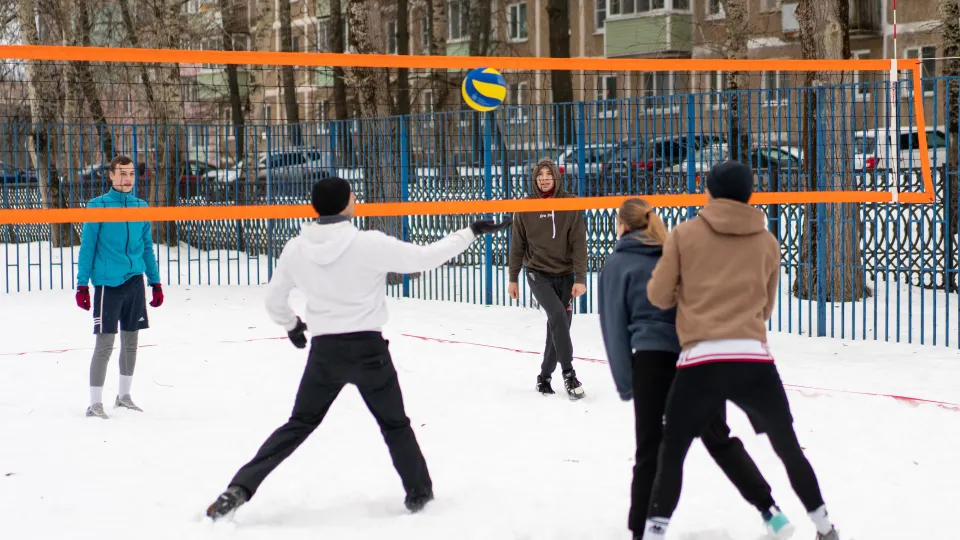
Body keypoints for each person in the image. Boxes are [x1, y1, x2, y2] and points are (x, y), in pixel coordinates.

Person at [205, 177, 512, 521]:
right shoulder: (369, 244)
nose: (355, 198)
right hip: (369, 351)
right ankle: (419, 494)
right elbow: (426, 258)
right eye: (353, 195)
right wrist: (469, 231)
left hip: (325, 354)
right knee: (395, 424)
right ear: (347, 204)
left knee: (298, 423)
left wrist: (291, 325)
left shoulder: (296, 248)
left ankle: (239, 489)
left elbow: (274, 300)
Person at [641, 161, 839, 540]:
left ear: (710, 190)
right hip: (753, 358)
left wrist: (691, 296)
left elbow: (658, 295)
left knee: (673, 450)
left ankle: (655, 531)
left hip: (702, 360)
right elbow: (765, 308)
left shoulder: (685, 234)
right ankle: (825, 526)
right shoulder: (767, 240)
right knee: (788, 447)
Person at [598, 197, 793, 540]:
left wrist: (627, 383)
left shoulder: (617, 263)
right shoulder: (675, 251)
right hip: (696, 356)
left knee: (649, 449)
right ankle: (771, 512)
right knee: (719, 439)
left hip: (653, 360)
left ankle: (640, 531)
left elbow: (614, 326)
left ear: (623, 225)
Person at [75, 155, 163, 419]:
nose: (127, 179)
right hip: (108, 284)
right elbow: (87, 248)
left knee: (131, 342)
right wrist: (82, 285)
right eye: (122, 173)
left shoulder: (141, 207)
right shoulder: (97, 206)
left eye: (131, 174)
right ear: (111, 176)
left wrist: (155, 281)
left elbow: (147, 247)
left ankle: (123, 397)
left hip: (135, 282)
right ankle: (94, 403)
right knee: (105, 344)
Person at [507, 157, 587, 400]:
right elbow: (517, 245)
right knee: (558, 316)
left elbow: (578, 242)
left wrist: (580, 277)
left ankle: (544, 378)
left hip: (564, 274)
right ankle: (569, 373)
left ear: (556, 177)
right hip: (537, 272)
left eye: (548, 174)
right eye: (540, 175)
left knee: (558, 325)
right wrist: (513, 277)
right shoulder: (525, 207)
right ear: (534, 179)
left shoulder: (570, 203)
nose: (544, 179)